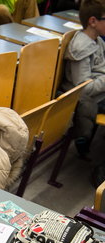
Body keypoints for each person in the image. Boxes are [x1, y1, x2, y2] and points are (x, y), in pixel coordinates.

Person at [61, 0, 105, 157]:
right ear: (93, 21)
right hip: (91, 99)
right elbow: (84, 88)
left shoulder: (98, 41)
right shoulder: (81, 47)